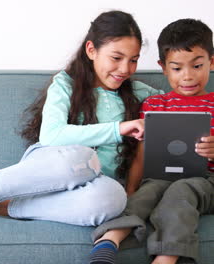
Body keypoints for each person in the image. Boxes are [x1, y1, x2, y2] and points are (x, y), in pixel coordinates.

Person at [0, 10, 162, 238]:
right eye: (116, 57)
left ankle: (4, 207)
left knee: (113, 198)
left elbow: (178, 104)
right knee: (81, 158)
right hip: (56, 166)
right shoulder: (66, 84)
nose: (125, 68)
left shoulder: (139, 93)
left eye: (133, 60)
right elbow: (52, 136)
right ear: (91, 50)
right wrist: (119, 129)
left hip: (88, 190)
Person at [89, 18, 214, 264]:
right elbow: (142, 151)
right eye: (177, 68)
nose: (188, 76)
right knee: (147, 192)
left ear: (211, 61)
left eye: (197, 66)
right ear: (163, 67)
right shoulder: (155, 105)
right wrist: (132, 189)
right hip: (161, 176)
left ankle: (167, 257)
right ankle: (109, 240)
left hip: (207, 182)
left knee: (182, 189)